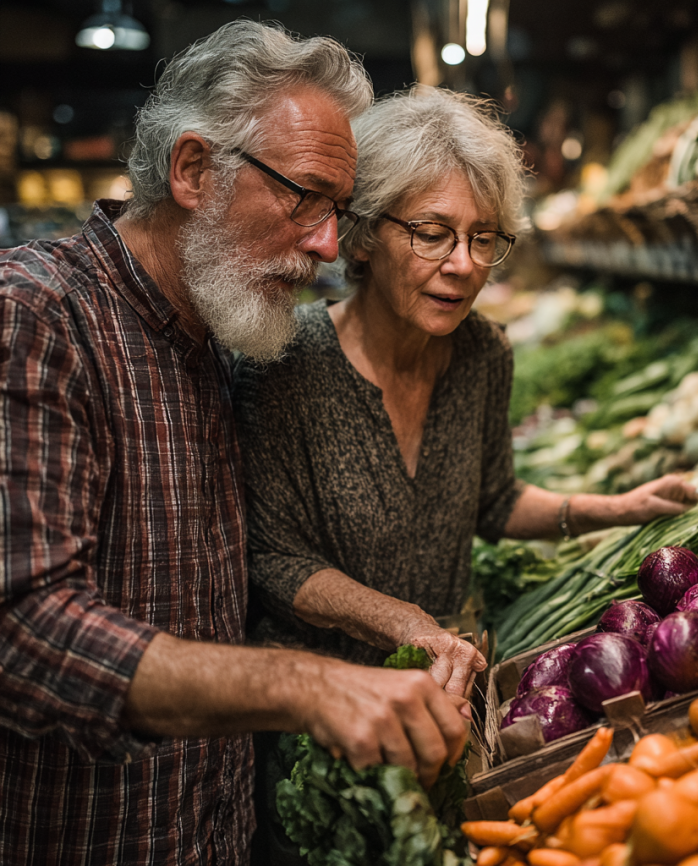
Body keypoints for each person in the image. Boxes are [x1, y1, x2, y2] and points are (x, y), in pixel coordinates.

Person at [0, 22, 468, 866]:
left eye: (339, 212)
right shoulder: (38, 316)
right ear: (192, 170)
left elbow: (247, 567)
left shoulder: (219, 336)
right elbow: (26, 630)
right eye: (305, 198)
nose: (329, 245)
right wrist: (306, 685)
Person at [233, 86, 698, 699]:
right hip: (321, 705)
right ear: (366, 234)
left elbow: (495, 500)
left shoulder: (483, 353)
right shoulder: (284, 363)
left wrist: (619, 508)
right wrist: (405, 623)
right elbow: (273, 558)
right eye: (432, 233)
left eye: (483, 238)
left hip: (444, 693)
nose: (462, 264)